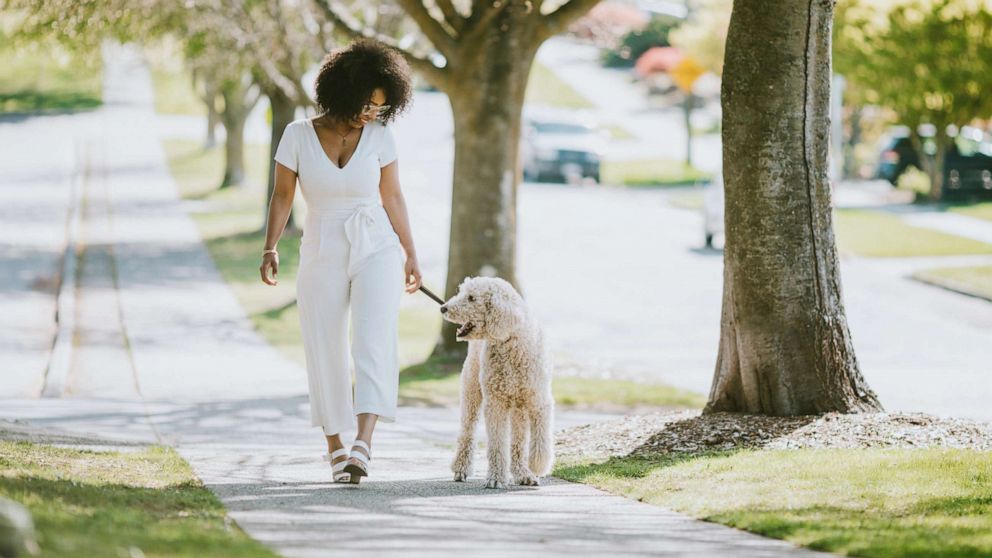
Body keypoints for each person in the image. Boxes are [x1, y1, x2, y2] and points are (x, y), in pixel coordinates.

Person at [260, 39, 422, 484]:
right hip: (322, 244)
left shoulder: (381, 137)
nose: (372, 113)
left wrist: (410, 253)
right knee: (324, 343)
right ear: (344, 91)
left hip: (377, 246)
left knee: (373, 340)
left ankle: (363, 444)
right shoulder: (296, 135)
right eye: (368, 104)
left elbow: (392, 196)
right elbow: (282, 196)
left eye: (380, 108)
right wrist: (270, 246)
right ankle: (334, 443)